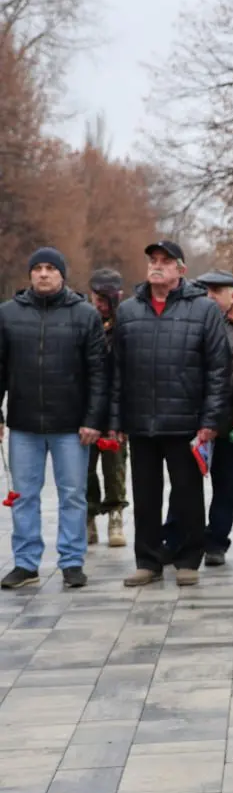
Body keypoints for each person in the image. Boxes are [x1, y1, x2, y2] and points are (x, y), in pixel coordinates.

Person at [109, 240, 231, 587]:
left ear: (181, 269)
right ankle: (147, 560)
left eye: (165, 261)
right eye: (152, 260)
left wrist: (210, 420)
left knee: (188, 494)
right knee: (145, 495)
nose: (157, 266)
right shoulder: (130, 310)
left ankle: (189, 558)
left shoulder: (203, 310)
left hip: (186, 421)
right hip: (141, 421)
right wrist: (115, 420)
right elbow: (117, 369)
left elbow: (218, 370)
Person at [0, 248, 107, 590]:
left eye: (50, 268)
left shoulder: (84, 315)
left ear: (62, 274)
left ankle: (72, 562)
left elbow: (98, 373)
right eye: (37, 268)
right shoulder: (8, 315)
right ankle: (26, 563)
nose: (43, 274)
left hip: (71, 425)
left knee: (73, 494)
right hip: (24, 423)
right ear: (30, 274)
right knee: (24, 495)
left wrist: (93, 419)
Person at [160, 270, 233, 567]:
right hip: (193, 417)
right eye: (206, 291)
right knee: (183, 483)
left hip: (232, 417)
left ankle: (216, 541)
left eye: (217, 290)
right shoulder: (187, 321)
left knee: (226, 484)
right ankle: (174, 539)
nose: (211, 296)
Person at [86, 268, 128, 549]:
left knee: (115, 466)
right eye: (96, 298)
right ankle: (88, 515)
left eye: (105, 299)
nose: (99, 305)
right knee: (84, 468)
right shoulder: (85, 321)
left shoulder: (127, 324)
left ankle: (116, 514)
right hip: (86, 407)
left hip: (117, 407)